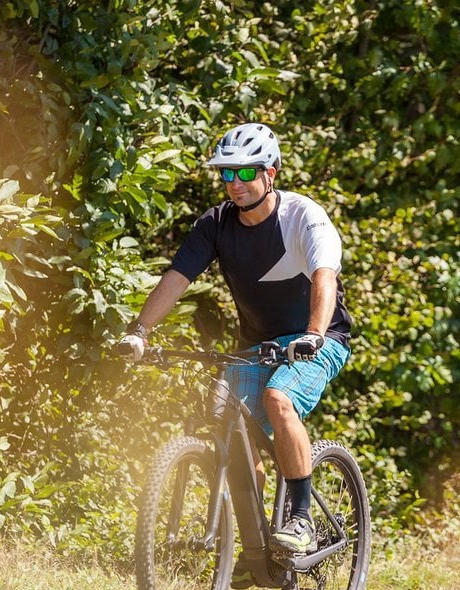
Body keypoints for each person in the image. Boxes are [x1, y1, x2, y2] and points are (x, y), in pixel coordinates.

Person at [118, 122, 353, 566]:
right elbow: (177, 279)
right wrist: (140, 332)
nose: (235, 184)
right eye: (227, 174)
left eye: (246, 173)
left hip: (319, 338)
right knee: (225, 420)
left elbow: (325, 275)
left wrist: (314, 335)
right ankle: (254, 547)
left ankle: (301, 518)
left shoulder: (303, 216)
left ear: (272, 172)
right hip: (256, 343)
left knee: (278, 398)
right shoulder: (216, 224)